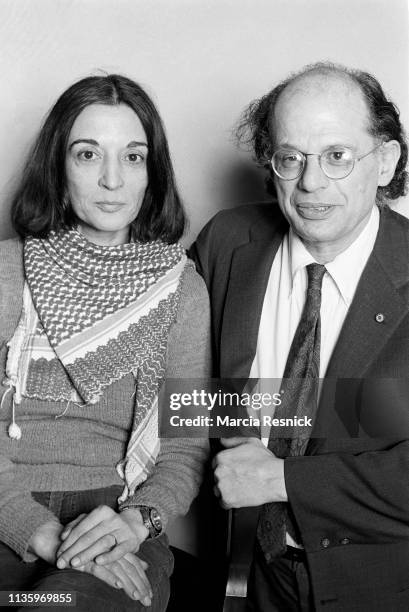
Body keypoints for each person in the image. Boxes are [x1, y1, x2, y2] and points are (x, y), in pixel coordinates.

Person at [191, 62, 409, 611]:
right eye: (291, 158)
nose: (310, 183)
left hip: (377, 588)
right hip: (242, 578)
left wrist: (285, 481)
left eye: (337, 156)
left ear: (384, 162)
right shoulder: (227, 242)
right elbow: (169, 385)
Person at [0, 74, 210, 611]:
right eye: (88, 154)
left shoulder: (181, 287)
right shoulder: (7, 271)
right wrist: (42, 532)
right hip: (6, 504)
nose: (113, 179)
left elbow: (185, 447)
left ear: (151, 173)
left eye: (133, 157)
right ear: (58, 167)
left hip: (117, 517)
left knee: (65, 605)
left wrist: (134, 526)